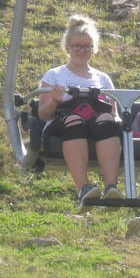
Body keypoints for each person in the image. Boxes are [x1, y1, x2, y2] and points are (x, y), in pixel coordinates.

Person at [38, 14, 123, 213]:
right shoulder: (54, 75)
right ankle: (83, 188)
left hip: (97, 123)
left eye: (87, 46)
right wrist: (55, 100)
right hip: (65, 122)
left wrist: (117, 119)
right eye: (77, 46)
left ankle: (111, 187)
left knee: (106, 120)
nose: (81, 50)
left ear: (93, 49)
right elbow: (43, 114)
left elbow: (113, 112)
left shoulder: (103, 78)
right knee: (75, 120)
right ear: (67, 48)